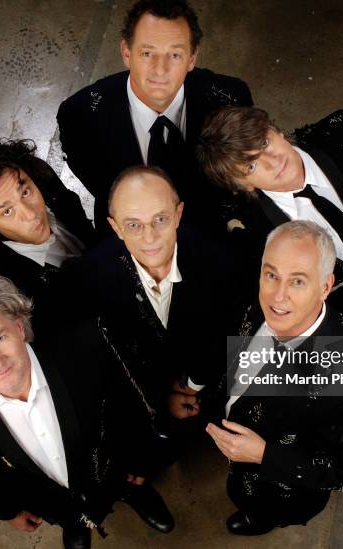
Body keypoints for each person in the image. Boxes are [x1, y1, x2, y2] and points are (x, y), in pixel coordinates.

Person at [0, 272, 173, 549]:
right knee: (70, 515)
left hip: (114, 469)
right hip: (49, 500)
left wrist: (141, 461)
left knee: (127, 481)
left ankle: (134, 493)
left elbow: (130, 406)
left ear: (18, 327)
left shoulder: (86, 344)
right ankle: (76, 523)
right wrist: (7, 511)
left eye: (0, 338)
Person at [204, 220, 343, 535]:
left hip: (280, 488)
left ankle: (260, 518)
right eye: (271, 275)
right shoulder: (255, 301)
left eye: (298, 282)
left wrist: (263, 455)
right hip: (235, 440)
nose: (278, 296)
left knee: (263, 508)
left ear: (325, 287)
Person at [67, 165, 247, 464]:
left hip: (210, 378)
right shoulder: (90, 276)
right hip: (149, 389)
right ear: (115, 227)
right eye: (134, 225)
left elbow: (229, 329)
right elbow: (111, 356)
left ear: (178, 214)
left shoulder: (223, 260)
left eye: (160, 219)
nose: (149, 237)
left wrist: (193, 385)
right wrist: (160, 398)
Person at [197, 107, 343, 331]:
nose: (273, 161)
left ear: (276, 130)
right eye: (250, 166)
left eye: (265, 142)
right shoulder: (249, 231)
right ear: (244, 186)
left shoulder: (341, 132)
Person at [56, 0, 253, 235]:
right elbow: (100, 184)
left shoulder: (231, 98)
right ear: (126, 53)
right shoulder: (79, 115)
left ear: (192, 58)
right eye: (148, 53)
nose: (160, 69)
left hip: (209, 224)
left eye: (175, 55)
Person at [0, 139, 96, 330]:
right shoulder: (5, 290)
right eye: (7, 211)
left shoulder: (44, 180)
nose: (31, 214)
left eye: (25, 192)